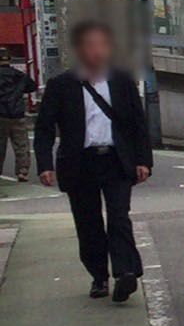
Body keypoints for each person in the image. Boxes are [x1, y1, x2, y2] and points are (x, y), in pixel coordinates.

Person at [35, 18, 152, 301]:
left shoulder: (122, 81)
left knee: (119, 217)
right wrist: (45, 164)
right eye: (90, 45)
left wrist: (143, 160)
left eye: (102, 44)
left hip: (115, 159)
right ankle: (99, 275)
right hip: (80, 162)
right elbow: (44, 127)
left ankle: (125, 273)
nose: (96, 51)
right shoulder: (61, 85)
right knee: (88, 223)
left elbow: (137, 123)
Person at [0, 52, 31, 183]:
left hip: (1, 114)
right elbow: (32, 86)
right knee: (21, 144)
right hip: (18, 113)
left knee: (1, 145)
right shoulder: (19, 75)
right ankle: (22, 171)